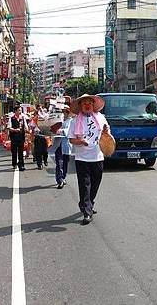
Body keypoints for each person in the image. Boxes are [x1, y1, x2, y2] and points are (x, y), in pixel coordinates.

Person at [69, 94, 110, 225]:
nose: (87, 105)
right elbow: (71, 139)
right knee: (84, 185)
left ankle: (88, 204)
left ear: (93, 105)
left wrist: (107, 132)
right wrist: (79, 141)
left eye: (89, 103)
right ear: (80, 106)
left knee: (95, 184)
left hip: (98, 156)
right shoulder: (74, 121)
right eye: (84, 103)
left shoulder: (101, 117)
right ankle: (87, 212)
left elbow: (107, 134)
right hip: (82, 158)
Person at [54, 105, 73, 189]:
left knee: (65, 163)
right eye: (63, 111)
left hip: (66, 145)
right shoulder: (58, 120)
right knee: (59, 163)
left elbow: (69, 131)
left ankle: (63, 177)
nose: (64, 113)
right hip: (58, 144)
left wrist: (61, 131)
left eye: (65, 112)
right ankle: (60, 179)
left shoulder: (71, 121)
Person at [8, 106, 27, 171]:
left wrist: (27, 130)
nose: (20, 111)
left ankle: (21, 165)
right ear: (15, 111)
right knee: (14, 151)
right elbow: (9, 128)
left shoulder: (23, 118)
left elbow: (26, 127)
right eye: (19, 110)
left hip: (21, 137)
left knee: (21, 151)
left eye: (21, 110)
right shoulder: (11, 118)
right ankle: (14, 164)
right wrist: (15, 130)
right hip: (14, 137)